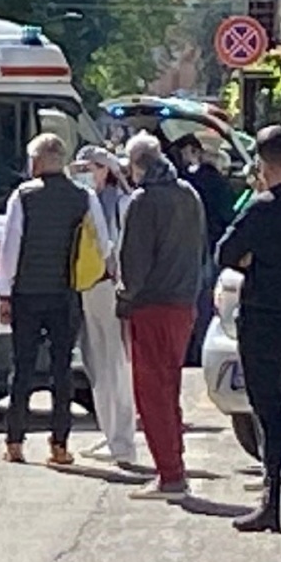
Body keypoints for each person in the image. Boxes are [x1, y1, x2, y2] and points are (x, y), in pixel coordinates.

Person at [215, 125, 281, 533]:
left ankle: (273, 500)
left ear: (260, 162)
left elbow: (226, 252)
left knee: (269, 412)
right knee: (278, 408)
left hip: (263, 318)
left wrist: (249, 261)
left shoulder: (263, 206)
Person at [0, 133, 109, 467]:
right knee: (62, 370)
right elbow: (102, 244)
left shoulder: (23, 197)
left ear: (38, 162)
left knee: (23, 368)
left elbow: (10, 248)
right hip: (65, 294)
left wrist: (4, 292)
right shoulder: (84, 196)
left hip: (27, 294)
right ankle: (59, 444)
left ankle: (15, 441)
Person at [116, 133, 206, 500]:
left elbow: (133, 260)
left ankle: (170, 475)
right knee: (170, 387)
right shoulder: (189, 194)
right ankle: (174, 465)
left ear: (137, 164)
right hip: (184, 303)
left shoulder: (143, 201)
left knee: (152, 392)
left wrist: (125, 299)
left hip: (152, 304)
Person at [72, 145, 137, 466]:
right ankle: (109, 432)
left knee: (116, 364)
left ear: (107, 169)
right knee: (95, 361)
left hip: (111, 288)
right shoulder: (82, 200)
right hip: (87, 286)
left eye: (93, 166)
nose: (88, 172)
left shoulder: (122, 202)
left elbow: (123, 247)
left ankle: (123, 440)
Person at [169, 134, 238, 371]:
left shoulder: (184, 181)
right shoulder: (218, 183)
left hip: (187, 245)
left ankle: (187, 349)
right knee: (206, 300)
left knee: (190, 297)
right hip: (211, 244)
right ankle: (199, 348)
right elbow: (229, 214)